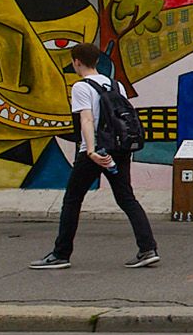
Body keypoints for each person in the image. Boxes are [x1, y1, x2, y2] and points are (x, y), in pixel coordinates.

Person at [30, 44, 159, 270]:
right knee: (126, 198)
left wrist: (91, 150)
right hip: (119, 149)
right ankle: (148, 249)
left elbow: (87, 119)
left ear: (76, 61)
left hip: (95, 151)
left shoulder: (81, 87)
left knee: (72, 200)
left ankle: (61, 254)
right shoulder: (116, 85)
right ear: (97, 61)